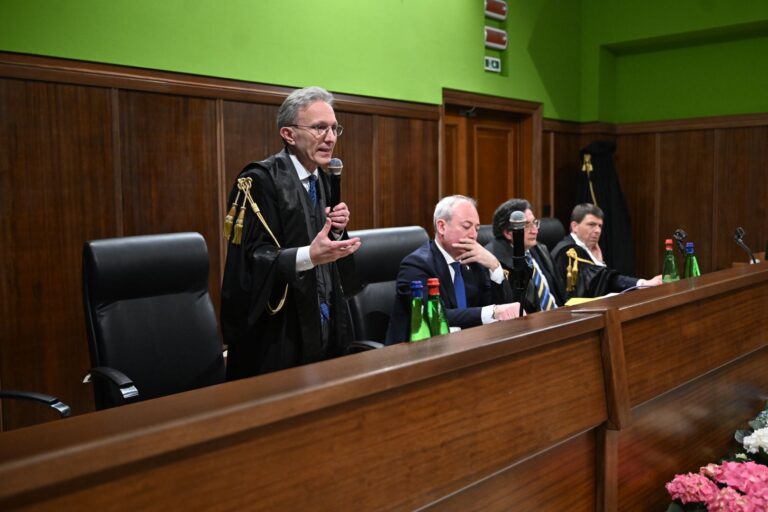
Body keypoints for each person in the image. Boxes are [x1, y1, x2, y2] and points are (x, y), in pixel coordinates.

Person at [220, 86, 362, 380]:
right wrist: (309, 255)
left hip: (322, 316)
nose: (331, 138)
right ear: (288, 134)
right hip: (279, 328)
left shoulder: (322, 179)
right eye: (320, 128)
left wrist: (336, 233)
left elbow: (320, 244)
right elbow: (253, 257)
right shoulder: (258, 181)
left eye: (335, 128)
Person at [384, 195, 522, 345]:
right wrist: (493, 312)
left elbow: (501, 310)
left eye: (477, 229)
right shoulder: (416, 265)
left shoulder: (475, 261)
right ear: (442, 226)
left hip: (468, 347)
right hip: (418, 352)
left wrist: (495, 267)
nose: (474, 235)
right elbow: (433, 315)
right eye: (466, 226)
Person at [551, 203, 662, 299]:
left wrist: (600, 263)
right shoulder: (568, 252)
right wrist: (643, 283)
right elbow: (601, 280)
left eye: (600, 226)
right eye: (591, 225)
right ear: (575, 226)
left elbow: (599, 280)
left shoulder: (588, 250)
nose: (598, 230)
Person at [484, 198, 566, 313]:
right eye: (527, 225)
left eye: (535, 223)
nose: (535, 231)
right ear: (508, 233)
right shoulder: (495, 261)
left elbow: (560, 294)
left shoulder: (540, 249)